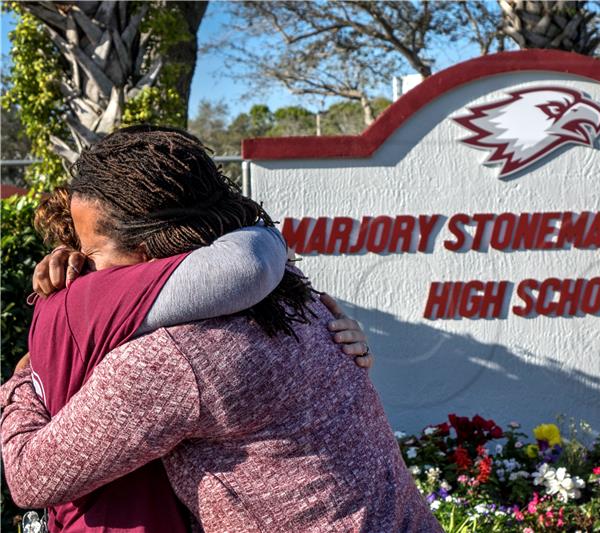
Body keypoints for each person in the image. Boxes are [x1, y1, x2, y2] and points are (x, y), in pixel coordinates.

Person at [2, 125, 441, 532]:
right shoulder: (292, 294)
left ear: (143, 250)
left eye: (92, 252)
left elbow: (30, 477)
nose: (86, 271)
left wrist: (25, 376)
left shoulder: (169, 359)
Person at [16, 187, 371, 531]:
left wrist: (331, 345)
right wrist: (22, 381)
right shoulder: (149, 343)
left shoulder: (190, 316)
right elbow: (29, 477)